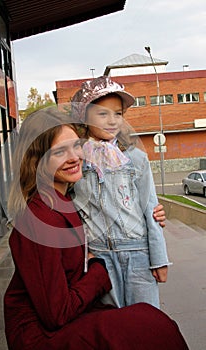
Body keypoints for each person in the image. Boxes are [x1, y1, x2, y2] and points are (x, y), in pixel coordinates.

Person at [3, 107, 188, 350]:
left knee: (151, 320)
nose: (74, 157)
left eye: (76, 146)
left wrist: (149, 216)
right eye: (59, 151)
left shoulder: (64, 199)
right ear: (37, 161)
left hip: (73, 314)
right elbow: (56, 313)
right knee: (151, 326)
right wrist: (99, 270)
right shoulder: (38, 220)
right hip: (40, 334)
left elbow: (109, 204)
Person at [71, 76, 171, 309]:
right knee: (110, 324)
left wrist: (159, 259)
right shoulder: (74, 160)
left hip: (137, 253)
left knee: (145, 321)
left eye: (118, 114)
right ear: (84, 117)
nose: (112, 120)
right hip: (98, 257)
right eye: (103, 114)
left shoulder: (135, 158)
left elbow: (151, 209)